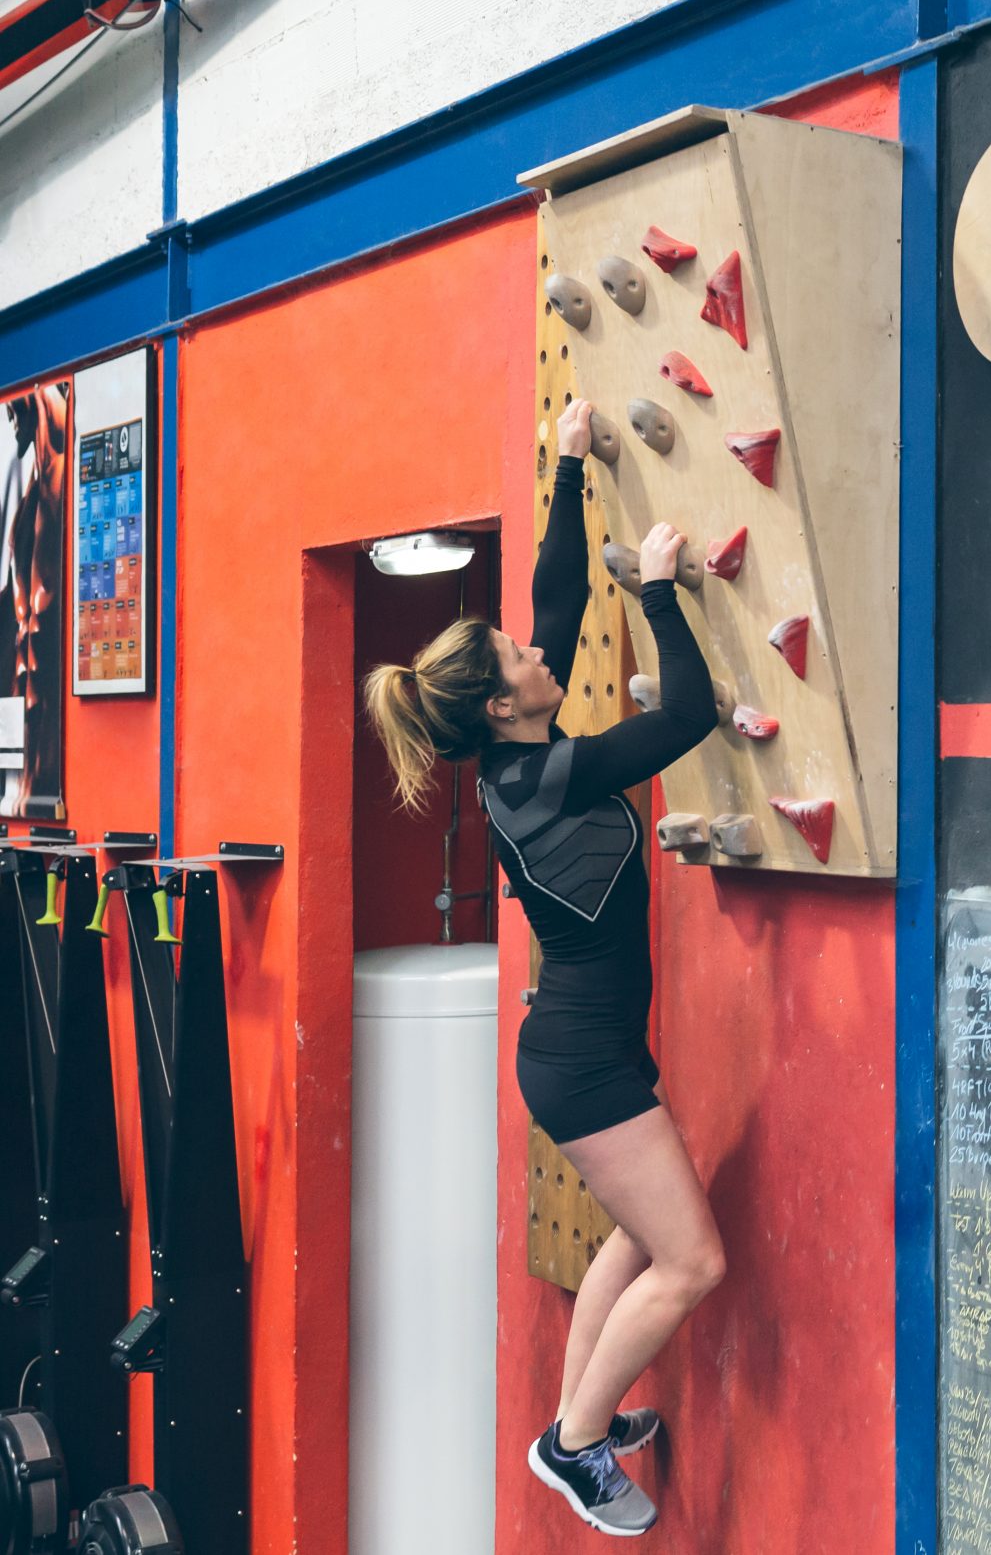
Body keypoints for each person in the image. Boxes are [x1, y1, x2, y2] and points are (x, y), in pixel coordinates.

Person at [361, 398, 720, 1536]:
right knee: (693, 1258)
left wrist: (568, 470)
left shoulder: (518, 749)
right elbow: (690, 715)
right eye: (520, 659)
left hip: (582, 1047)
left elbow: (555, 599)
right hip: (580, 1061)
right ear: (506, 705)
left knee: (635, 1233)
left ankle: (584, 1419)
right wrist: (660, 592)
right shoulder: (543, 775)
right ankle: (573, 1443)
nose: (535, 649)